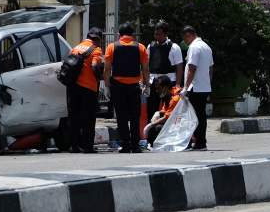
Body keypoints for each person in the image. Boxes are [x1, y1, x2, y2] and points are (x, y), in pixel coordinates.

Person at [103, 22, 150, 153]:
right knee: (135, 116)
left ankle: (125, 145)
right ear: (132, 34)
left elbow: (107, 68)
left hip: (118, 87)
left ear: (119, 34)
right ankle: (135, 145)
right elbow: (145, 69)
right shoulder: (140, 47)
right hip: (134, 87)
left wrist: (106, 86)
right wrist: (147, 86)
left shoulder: (112, 47)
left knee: (122, 117)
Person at [67, 27, 104, 154]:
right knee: (88, 118)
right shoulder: (96, 49)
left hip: (73, 87)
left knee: (74, 117)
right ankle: (88, 147)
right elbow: (94, 66)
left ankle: (73, 146)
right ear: (98, 39)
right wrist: (100, 77)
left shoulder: (75, 48)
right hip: (88, 88)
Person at [180, 25, 213, 151]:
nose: (185, 42)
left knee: (191, 115)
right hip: (204, 86)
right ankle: (201, 141)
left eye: (185, 39)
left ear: (188, 35)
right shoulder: (206, 47)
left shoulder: (194, 47)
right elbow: (210, 69)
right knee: (201, 115)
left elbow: (192, 69)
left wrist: (186, 87)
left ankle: (192, 141)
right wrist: (208, 83)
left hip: (195, 87)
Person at [147, 21, 183, 124]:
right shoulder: (150, 46)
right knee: (151, 110)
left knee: (169, 110)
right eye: (155, 34)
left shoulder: (174, 47)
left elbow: (179, 68)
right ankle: (151, 136)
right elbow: (146, 65)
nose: (157, 37)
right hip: (154, 82)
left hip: (169, 83)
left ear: (166, 34)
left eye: (160, 34)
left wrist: (177, 86)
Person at [144, 75, 182, 147]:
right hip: (175, 122)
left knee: (157, 127)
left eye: (158, 88)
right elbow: (165, 111)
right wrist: (158, 113)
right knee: (156, 123)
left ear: (165, 88)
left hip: (180, 125)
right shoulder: (168, 96)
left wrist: (151, 125)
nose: (157, 91)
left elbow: (167, 118)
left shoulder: (175, 98)